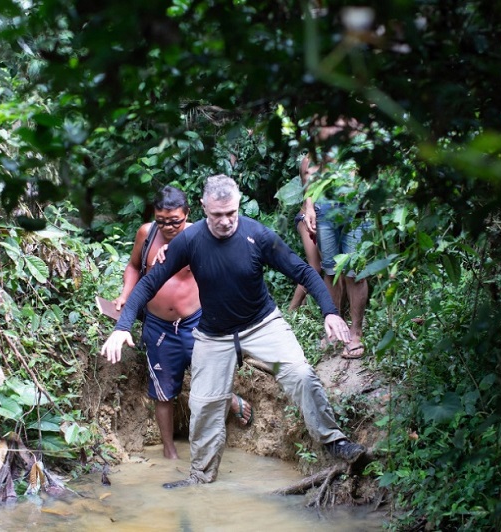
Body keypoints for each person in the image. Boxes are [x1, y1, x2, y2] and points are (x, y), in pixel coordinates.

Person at [102, 175, 366, 489]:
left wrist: (331, 312)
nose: (226, 221)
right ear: (203, 208)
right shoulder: (190, 240)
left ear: (238, 206)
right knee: (203, 406)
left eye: (232, 213)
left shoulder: (258, 235)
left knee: (299, 374)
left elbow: (303, 271)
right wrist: (121, 327)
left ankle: (335, 442)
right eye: (217, 215)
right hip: (213, 336)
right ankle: (200, 477)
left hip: (262, 326)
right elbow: (148, 282)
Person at [112, 185, 252, 460]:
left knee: (210, 377)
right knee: (163, 392)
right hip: (158, 325)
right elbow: (132, 265)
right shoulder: (146, 233)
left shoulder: (201, 234)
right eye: (162, 221)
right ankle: (169, 451)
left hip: (196, 321)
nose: (168, 227)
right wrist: (125, 294)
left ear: (187, 214)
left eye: (174, 221)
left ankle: (230, 399)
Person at [300, 116, 371, 359]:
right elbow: (309, 170)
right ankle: (335, 327)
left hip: (354, 209)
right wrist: (309, 208)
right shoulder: (318, 117)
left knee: (354, 273)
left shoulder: (352, 118)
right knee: (331, 271)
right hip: (324, 210)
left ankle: (356, 332)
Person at [287, 209, 323, 312]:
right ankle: (292, 309)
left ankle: (304, 304)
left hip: (323, 220)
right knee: (315, 266)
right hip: (306, 218)